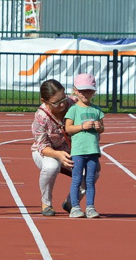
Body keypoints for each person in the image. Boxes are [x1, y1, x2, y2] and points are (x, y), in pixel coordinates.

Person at [31, 79, 82, 216]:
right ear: (44, 100)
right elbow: (42, 146)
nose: (62, 104)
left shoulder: (74, 104)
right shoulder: (41, 116)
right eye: (56, 102)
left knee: (92, 171)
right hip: (47, 152)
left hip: (72, 151)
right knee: (51, 167)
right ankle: (46, 203)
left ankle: (71, 201)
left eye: (63, 98)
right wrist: (59, 155)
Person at [64, 73, 105, 219]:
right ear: (75, 90)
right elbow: (68, 128)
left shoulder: (97, 110)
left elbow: (102, 129)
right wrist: (82, 126)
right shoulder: (73, 109)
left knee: (90, 180)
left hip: (93, 150)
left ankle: (90, 207)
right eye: (82, 91)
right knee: (76, 179)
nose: (85, 94)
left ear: (94, 91)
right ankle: (74, 207)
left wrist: (98, 126)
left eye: (89, 90)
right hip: (78, 151)